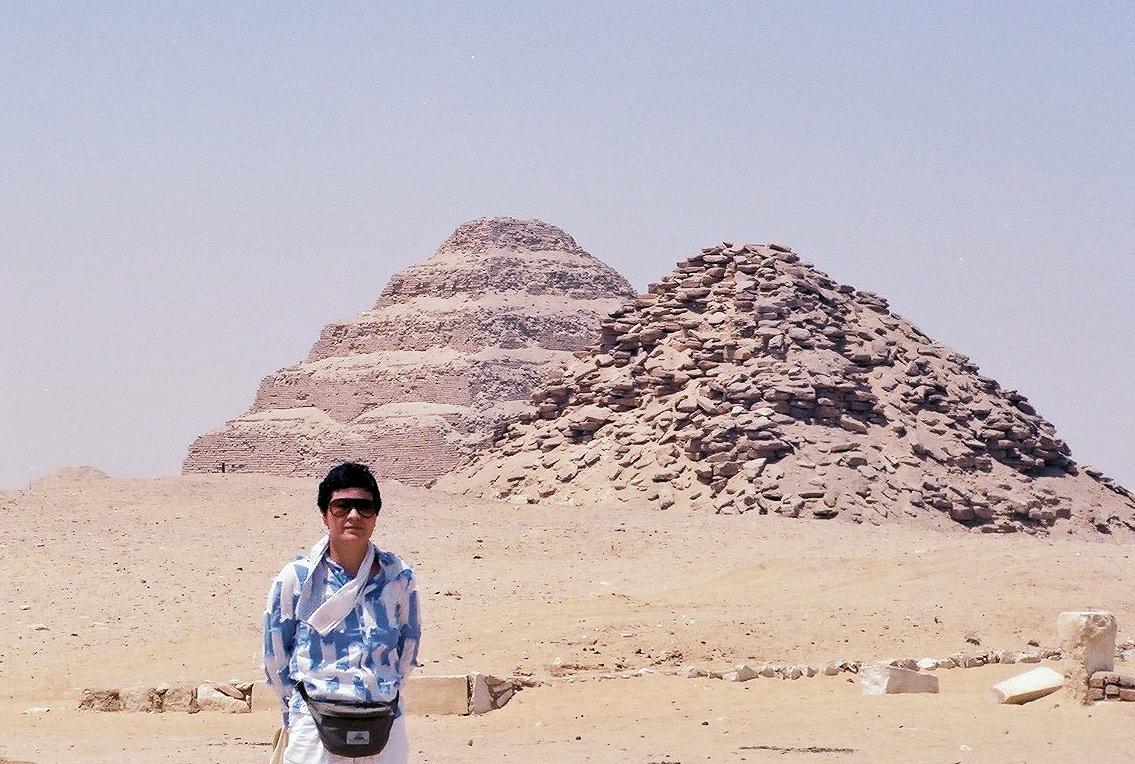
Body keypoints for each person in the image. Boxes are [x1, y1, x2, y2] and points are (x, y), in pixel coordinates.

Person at [263, 462, 421, 763]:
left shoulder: (398, 576)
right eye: (341, 506)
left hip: (384, 716)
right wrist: (296, 708)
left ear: (375, 516)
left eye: (364, 507)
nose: (353, 515)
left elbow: (409, 645)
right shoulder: (296, 578)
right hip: (314, 720)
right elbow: (275, 655)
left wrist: (382, 690)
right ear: (325, 514)